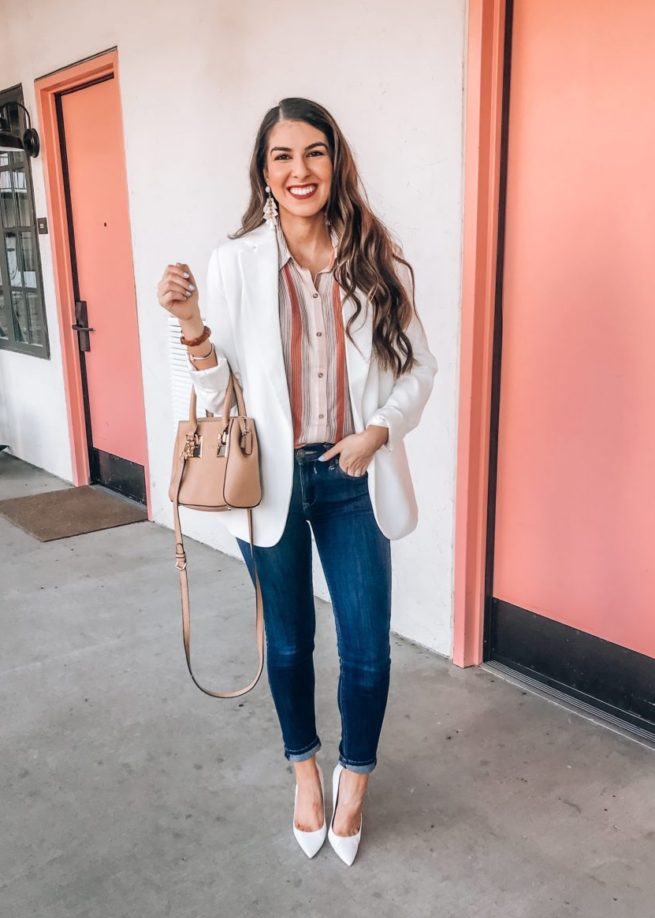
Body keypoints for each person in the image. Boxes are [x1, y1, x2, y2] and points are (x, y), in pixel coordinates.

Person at [157, 97, 438, 865]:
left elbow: (418, 369)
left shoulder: (373, 255)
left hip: (354, 479)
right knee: (287, 646)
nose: (299, 170)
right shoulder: (234, 262)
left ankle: (354, 780)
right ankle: (304, 775)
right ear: (264, 171)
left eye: (313, 152)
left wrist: (376, 432)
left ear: (334, 162)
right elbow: (221, 395)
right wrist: (189, 324)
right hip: (268, 483)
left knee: (367, 652)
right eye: (282, 156)